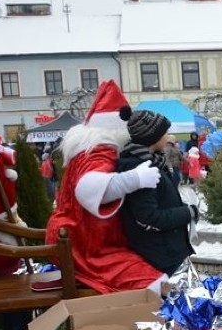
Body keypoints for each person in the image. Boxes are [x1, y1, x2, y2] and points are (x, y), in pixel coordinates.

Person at [45, 80, 166, 294]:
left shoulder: (91, 149)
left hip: (86, 239)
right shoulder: (99, 150)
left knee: (152, 278)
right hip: (84, 244)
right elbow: (88, 189)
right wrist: (135, 179)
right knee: (153, 283)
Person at [117, 107, 197, 276]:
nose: (168, 137)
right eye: (165, 133)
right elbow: (148, 218)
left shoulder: (152, 161)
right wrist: (188, 212)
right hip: (159, 257)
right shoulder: (140, 167)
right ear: (152, 137)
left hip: (166, 252)